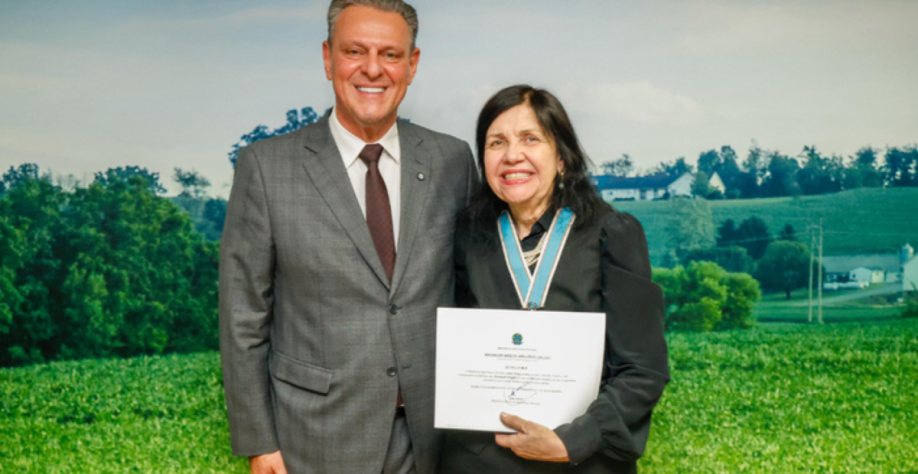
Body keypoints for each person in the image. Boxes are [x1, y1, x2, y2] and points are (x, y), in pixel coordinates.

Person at [218, 0, 477, 473]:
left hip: (434, 440)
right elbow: (243, 318)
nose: (373, 70)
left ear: (412, 65)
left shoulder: (453, 161)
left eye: (391, 55)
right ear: (327, 58)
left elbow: (476, 289)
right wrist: (259, 441)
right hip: (313, 439)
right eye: (355, 51)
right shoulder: (265, 167)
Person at [440, 85, 670, 474]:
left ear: (561, 157)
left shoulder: (612, 233)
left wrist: (572, 441)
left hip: (583, 459)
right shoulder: (466, 236)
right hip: (481, 461)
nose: (512, 155)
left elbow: (643, 371)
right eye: (496, 142)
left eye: (530, 139)